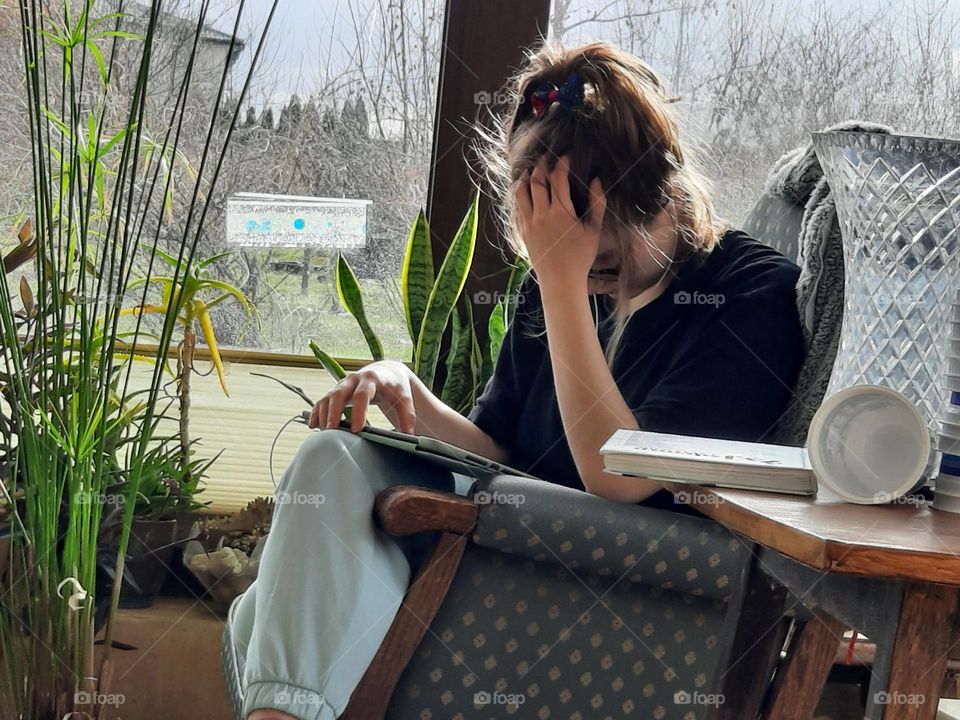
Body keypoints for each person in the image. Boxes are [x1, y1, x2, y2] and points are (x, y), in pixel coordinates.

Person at [230, 41, 804, 720]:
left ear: (663, 195)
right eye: (565, 258)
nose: (589, 278)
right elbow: (498, 448)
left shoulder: (750, 295)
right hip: (507, 532)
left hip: (605, 568)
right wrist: (409, 391)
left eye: (605, 258)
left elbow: (618, 476)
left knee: (264, 611)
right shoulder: (559, 279)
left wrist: (562, 281)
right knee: (327, 461)